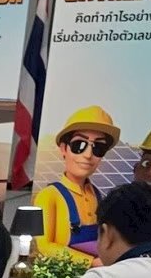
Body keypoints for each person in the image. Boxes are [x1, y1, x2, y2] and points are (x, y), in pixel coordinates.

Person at [35, 106, 117, 257]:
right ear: (63, 148)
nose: (88, 155)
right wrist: (90, 262)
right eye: (79, 145)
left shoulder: (98, 196)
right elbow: (45, 245)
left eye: (98, 148)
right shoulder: (49, 196)